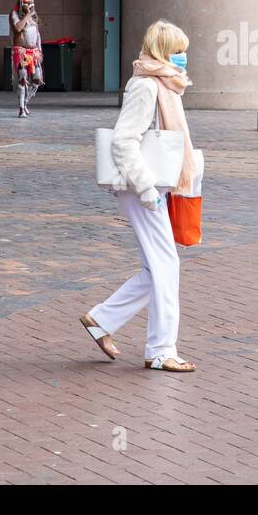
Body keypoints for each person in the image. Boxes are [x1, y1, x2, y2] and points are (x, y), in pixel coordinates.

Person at [80, 19, 201, 374]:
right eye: (178, 52)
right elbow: (123, 140)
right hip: (141, 188)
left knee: (156, 267)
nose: (182, 58)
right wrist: (148, 189)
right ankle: (161, 350)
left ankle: (101, 320)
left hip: (147, 187)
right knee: (166, 266)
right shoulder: (147, 86)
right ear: (164, 52)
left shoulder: (160, 84)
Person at [9, 0, 43, 118]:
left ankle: (25, 102)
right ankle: (21, 109)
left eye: (32, 3)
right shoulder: (14, 14)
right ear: (22, 3)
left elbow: (38, 35)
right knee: (23, 79)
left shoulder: (33, 16)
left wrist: (40, 51)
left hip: (33, 52)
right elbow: (18, 28)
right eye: (28, 3)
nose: (31, 5)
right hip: (22, 52)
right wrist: (28, 14)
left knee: (37, 79)